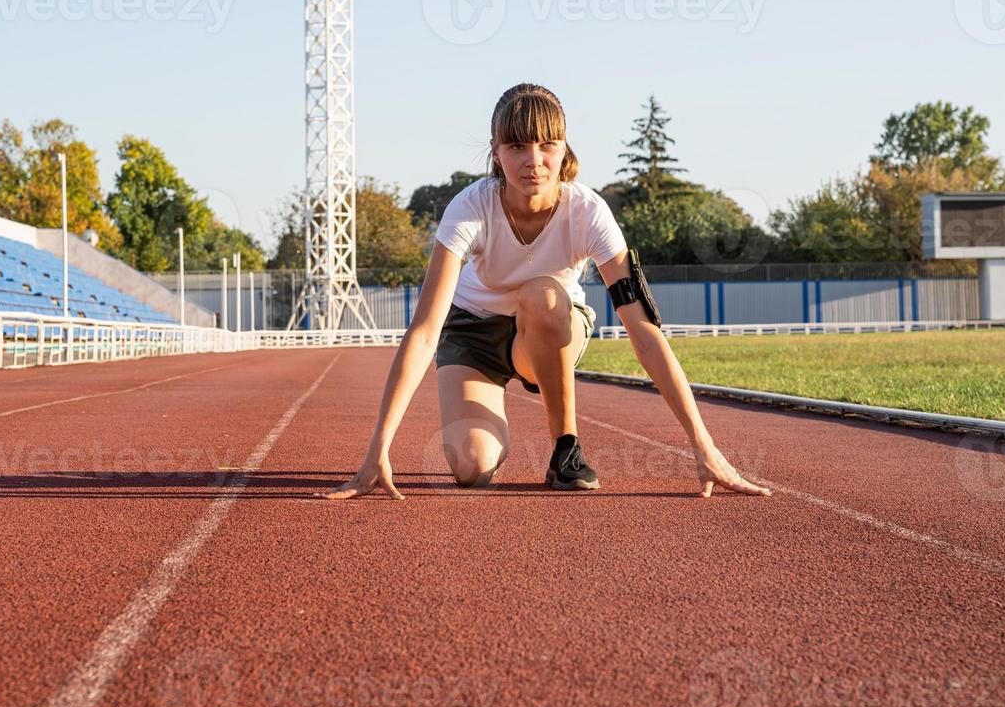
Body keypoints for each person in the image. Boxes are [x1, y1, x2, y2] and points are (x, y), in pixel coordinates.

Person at [320, 83, 771, 500]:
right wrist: (378, 448)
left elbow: (644, 329)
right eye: (517, 146)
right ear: (496, 153)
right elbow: (424, 330)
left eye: (546, 145)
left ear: (563, 149)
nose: (533, 160)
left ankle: (565, 451)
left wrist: (703, 444)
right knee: (471, 467)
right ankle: (488, 421)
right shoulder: (469, 209)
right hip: (474, 335)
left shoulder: (589, 213)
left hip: (549, 329)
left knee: (543, 294)